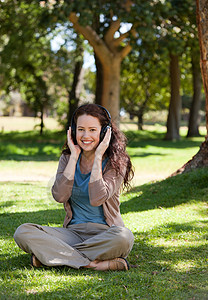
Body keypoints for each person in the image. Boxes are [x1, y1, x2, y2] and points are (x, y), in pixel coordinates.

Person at [14, 104, 134, 271]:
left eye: (92, 130)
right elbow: (59, 196)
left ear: (105, 132)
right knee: (23, 232)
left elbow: (97, 198)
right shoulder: (67, 158)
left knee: (125, 237)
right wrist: (74, 157)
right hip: (72, 234)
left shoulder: (117, 162)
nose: (85, 135)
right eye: (81, 129)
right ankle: (92, 264)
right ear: (73, 131)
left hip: (106, 234)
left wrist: (99, 156)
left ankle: (53, 257)